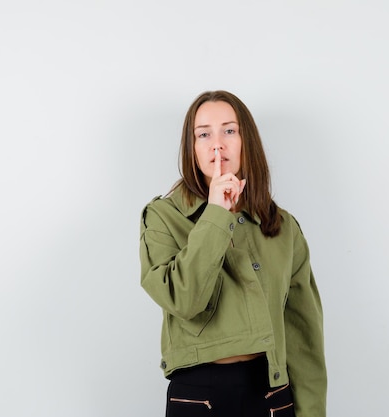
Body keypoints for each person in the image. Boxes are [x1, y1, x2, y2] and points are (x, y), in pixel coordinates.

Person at [139, 90, 326, 417]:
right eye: (203, 134)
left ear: (246, 141)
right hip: (199, 394)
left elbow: (303, 335)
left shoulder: (282, 226)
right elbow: (184, 300)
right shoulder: (162, 217)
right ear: (192, 147)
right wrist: (215, 212)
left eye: (229, 130)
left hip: (272, 392)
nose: (217, 144)